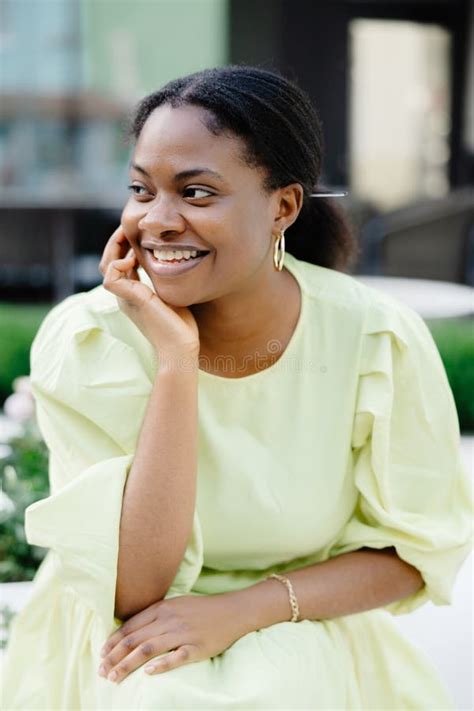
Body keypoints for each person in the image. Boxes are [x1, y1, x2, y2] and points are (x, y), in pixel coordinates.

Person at [1, 65, 472, 710]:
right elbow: (133, 591)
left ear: (283, 206)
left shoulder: (374, 339)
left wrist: (244, 609)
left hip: (302, 623)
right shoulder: (90, 339)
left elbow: (415, 554)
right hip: (124, 641)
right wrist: (175, 360)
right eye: (142, 189)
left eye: (196, 193)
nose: (157, 221)